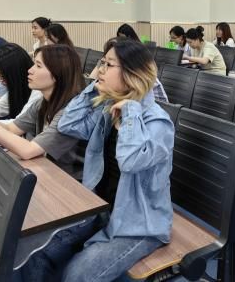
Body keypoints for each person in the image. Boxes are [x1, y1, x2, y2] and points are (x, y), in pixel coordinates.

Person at [18, 40, 174, 281]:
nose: (100, 69)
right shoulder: (108, 109)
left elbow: (130, 161)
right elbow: (69, 124)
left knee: (76, 275)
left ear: (132, 74)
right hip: (99, 207)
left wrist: (131, 111)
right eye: (102, 62)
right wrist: (94, 87)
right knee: (34, 252)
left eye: (108, 65)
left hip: (137, 224)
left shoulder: (158, 122)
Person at [0, 44, 84, 174]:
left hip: (69, 180)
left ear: (57, 73)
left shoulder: (71, 111)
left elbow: (28, 150)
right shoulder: (42, 102)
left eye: (38, 66)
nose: (30, 70)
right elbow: (11, 128)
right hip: (47, 169)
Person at [0, 43, 42, 120]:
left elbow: (18, 124)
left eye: (38, 66)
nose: (30, 70)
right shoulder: (17, 87)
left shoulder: (38, 92)